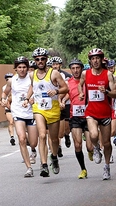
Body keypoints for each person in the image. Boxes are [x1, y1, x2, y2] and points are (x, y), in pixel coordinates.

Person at [24, 47, 68, 177]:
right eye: (37, 59)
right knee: (42, 135)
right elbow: (32, 87)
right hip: (39, 108)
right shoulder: (32, 75)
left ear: (46, 59)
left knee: (54, 139)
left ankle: (54, 157)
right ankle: (43, 165)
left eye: (42, 59)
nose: (40, 61)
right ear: (35, 61)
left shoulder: (54, 73)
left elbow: (65, 87)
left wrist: (56, 91)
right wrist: (27, 98)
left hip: (53, 108)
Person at [78, 48, 116, 180]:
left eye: (97, 58)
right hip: (91, 112)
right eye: (93, 58)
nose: (95, 61)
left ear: (101, 60)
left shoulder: (108, 74)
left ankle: (106, 166)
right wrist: (81, 93)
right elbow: (80, 84)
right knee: (94, 135)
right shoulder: (85, 73)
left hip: (105, 112)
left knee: (106, 143)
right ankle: (96, 147)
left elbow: (115, 94)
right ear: (90, 61)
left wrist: (106, 91)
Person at [1, 56, 38, 177]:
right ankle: (28, 168)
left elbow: (38, 90)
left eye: (24, 67)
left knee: (33, 143)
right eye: (19, 67)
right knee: (21, 139)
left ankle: (33, 150)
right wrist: (3, 99)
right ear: (15, 68)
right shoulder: (12, 80)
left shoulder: (32, 77)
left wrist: (32, 99)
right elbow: (5, 92)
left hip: (31, 112)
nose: (22, 69)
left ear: (28, 68)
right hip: (18, 113)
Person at [62, 58, 93, 179]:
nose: (75, 70)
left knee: (89, 146)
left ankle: (91, 151)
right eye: (73, 68)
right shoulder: (68, 82)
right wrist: (63, 101)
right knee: (78, 145)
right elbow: (64, 95)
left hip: (88, 116)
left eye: (78, 68)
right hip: (74, 117)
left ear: (81, 69)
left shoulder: (87, 81)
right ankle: (83, 169)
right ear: (70, 69)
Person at [51, 56, 72, 155]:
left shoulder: (66, 75)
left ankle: (67, 135)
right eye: (53, 64)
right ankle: (58, 146)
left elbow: (68, 90)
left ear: (60, 65)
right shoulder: (49, 75)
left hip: (66, 103)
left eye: (57, 64)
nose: (55, 66)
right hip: (55, 103)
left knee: (66, 129)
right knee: (58, 130)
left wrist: (63, 100)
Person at [2, 72, 16, 146]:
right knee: (11, 122)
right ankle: (12, 137)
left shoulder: (16, 85)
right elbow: (3, 97)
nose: (9, 80)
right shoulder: (4, 87)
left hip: (16, 106)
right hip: (8, 107)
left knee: (17, 123)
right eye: (7, 79)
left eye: (10, 78)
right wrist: (2, 102)